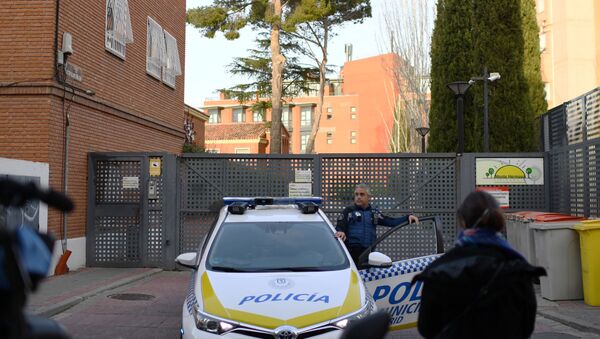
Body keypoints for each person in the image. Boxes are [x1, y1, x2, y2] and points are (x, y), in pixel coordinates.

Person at [413, 190, 546, 339]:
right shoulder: (518, 269)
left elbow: (427, 328)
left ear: (462, 221)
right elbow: (526, 327)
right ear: (498, 220)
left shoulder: (440, 269)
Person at [335, 184, 419, 266]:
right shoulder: (348, 211)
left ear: (369, 197)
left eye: (362, 194)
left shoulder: (374, 213)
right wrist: (340, 231)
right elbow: (340, 225)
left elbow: (391, 222)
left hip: (369, 255)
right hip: (350, 255)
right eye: (356, 194)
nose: (358, 197)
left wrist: (407, 217)